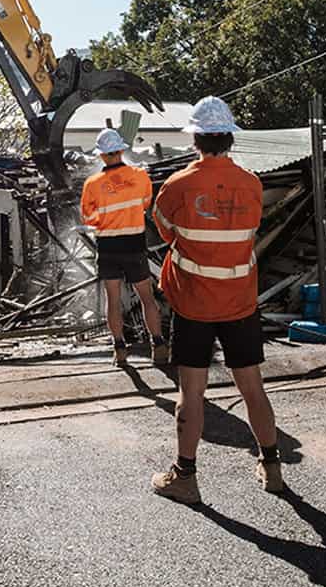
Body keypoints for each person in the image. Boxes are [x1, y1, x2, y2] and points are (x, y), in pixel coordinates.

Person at [149, 96, 282, 503]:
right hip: (240, 301)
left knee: (191, 393)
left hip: (194, 305)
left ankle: (185, 476)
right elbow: (249, 231)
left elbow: (166, 231)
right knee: (253, 388)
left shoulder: (179, 185)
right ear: (230, 138)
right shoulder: (252, 183)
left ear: (195, 139)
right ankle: (272, 467)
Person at [79, 128, 165, 367]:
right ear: (121, 150)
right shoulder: (140, 176)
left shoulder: (92, 184)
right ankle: (158, 344)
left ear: (102, 155)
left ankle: (119, 350)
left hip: (108, 247)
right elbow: (146, 204)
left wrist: (107, 220)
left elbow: (88, 219)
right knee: (147, 297)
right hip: (134, 244)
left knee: (113, 300)